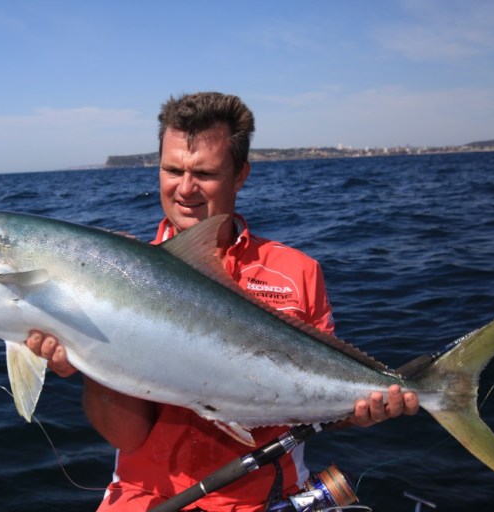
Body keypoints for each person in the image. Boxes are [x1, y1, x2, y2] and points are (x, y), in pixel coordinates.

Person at [26, 92, 419, 511]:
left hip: (267, 498)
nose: (185, 189)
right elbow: (125, 437)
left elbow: (319, 406)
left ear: (241, 175)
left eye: (206, 173)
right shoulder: (112, 277)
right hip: (145, 499)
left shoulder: (296, 271)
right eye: (172, 170)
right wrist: (90, 356)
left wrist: (362, 409)